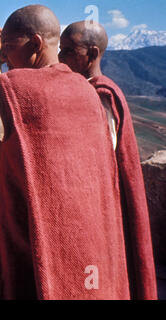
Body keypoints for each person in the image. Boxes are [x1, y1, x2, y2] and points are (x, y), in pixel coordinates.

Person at [0, 4, 150, 300]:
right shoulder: (87, 90)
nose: (6, 57)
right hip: (87, 243)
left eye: (9, 48)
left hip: (37, 243)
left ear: (35, 44)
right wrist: (9, 43)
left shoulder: (15, 92)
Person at [59, 21, 157, 300]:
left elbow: (98, 157)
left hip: (100, 202)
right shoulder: (86, 89)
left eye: (67, 51)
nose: (60, 58)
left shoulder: (100, 95)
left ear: (91, 54)